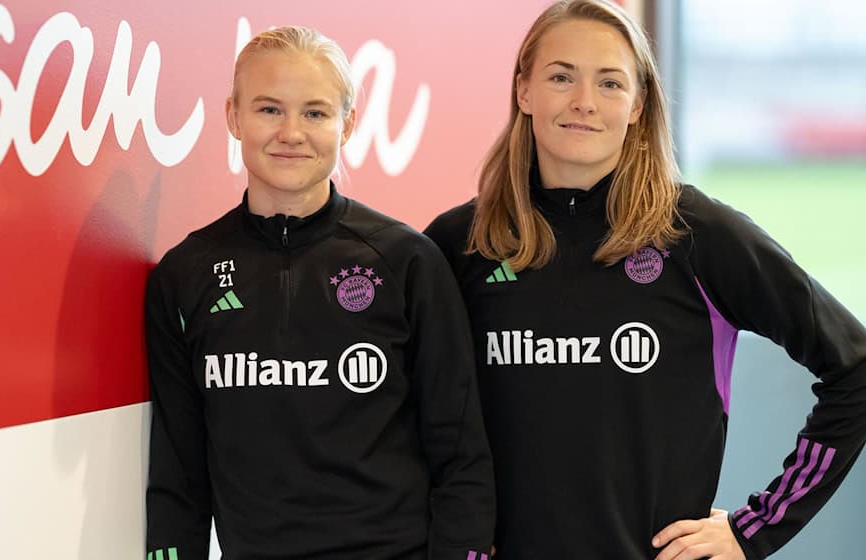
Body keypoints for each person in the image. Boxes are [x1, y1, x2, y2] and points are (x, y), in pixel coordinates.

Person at [423, 1, 866, 558]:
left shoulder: (696, 234)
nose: (583, 101)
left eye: (610, 82)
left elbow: (855, 365)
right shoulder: (458, 242)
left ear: (637, 104)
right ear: (524, 91)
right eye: (561, 76)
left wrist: (756, 528)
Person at [144, 25, 495, 560]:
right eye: (268, 110)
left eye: (315, 112)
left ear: (347, 124)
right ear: (233, 117)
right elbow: (178, 472)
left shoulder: (406, 262)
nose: (291, 132)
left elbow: (461, 453)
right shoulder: (185, 274)